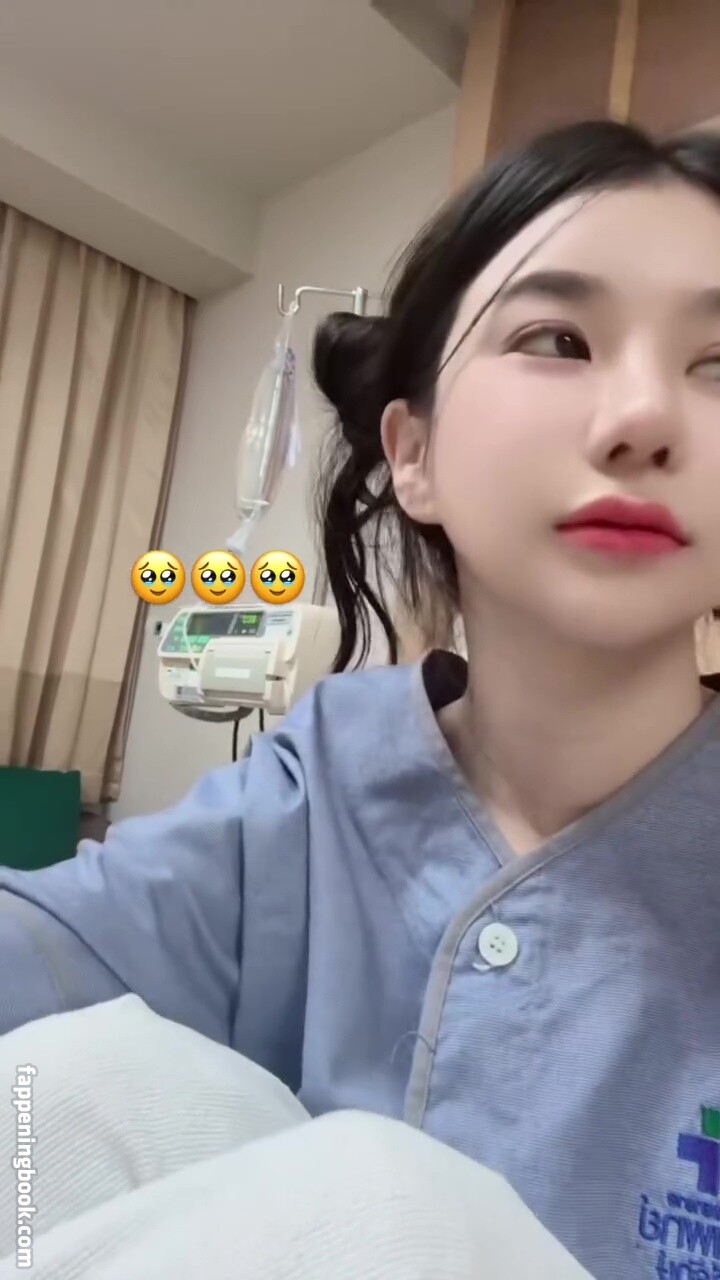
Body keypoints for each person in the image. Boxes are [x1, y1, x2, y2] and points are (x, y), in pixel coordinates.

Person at [2, 118, 720, 1280]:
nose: (644, 418)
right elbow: (44, 947)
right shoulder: (321, 784)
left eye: (719, 365)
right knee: (78, 1083)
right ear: (413, 452)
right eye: (557, 338)